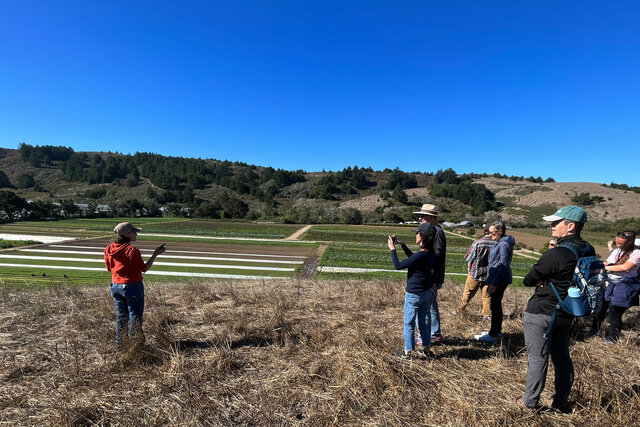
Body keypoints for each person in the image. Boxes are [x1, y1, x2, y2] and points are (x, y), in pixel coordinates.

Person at [520, 206, 594, 412]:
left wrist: (544, 280)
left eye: (556, 222)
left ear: (570, 226)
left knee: (537, 359)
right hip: (567, 312)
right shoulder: (588, 249)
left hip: (542, 311)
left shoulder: (556, 254)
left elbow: (528, 280)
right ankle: (559, 402)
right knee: (562, 358)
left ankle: (530, 404)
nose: (551, 226)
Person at [104, 222, 166, 344]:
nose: (136, 234)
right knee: (135, 316)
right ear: (126, 234)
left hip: (115, 285)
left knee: (121, 316)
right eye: (134, 232)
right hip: (132, 286)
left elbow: (109, 268)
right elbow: (144, 268)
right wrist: (155, 254)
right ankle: (136, 345)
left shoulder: (108, 249)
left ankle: (120, 345)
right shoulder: (131, 250)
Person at [388, 222, 436, 360]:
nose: (416, 235)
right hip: (426, 292)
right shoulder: (430, 253)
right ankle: (426, 349)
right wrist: (402, 245)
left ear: (422, 236)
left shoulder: (420, 255)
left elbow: (398, 266)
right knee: (423, 322)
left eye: (417, 233)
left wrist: (392, 249)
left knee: (409, 323)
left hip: (414, 294)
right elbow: (414, 259)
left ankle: (407, 352)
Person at [591, 231, 640, 344]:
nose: (617, 245)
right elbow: (608, 262)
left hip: (625, 284)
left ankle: (612, 338)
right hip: (610, 282)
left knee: (615, 313)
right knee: (600, 308)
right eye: (617, 242)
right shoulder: (618, 251)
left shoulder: (637, 253)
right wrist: (606, 265)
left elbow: (625, 267)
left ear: (629, 243)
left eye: (620, 243)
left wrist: (605, 267)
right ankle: (595, 329)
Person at [475, 221, 514, 343]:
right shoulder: (503, 242)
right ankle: (495, 331)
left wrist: (494, 283)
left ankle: (494, 334)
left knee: (495, 307)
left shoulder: (503, 245)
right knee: (495, 306)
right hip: (498, 279)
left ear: (500, 231)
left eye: (493, 233)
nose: (491, 236)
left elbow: (503, 265)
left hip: (499, 280)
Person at [412, 204, 446, 342]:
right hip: (433, 275)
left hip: (431, 276)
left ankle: (426, 336)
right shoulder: (436, 230)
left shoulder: (436, 232)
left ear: (432, 217)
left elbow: (438, 256)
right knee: (431, 305)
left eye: (424, 216)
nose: (421, 219)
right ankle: (434, 334)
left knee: (425, 307)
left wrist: (433, 278)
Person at [456, 224, 496, 318]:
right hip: (489, 275)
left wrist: (469, 269)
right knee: (487, 296)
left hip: (476, 273)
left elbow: (470, 259)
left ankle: (459, 311)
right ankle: (487, 315)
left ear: (484, 231)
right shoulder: (496, 244)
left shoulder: (477, 243)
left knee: (467, 293)